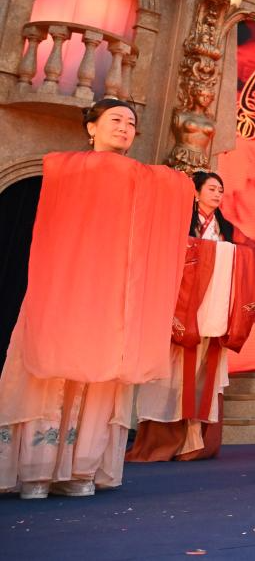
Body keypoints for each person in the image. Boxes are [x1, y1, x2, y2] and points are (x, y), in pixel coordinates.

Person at [0, 98, 193, 498]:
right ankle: (35, 471)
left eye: (131, 123)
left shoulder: (148, 178)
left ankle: (82, 469)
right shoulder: (64, 167)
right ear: (91, 127)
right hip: (66, 285)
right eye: (115, 120)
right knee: (50, 370)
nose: (124, 128)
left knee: (104, 376)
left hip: (114, 291)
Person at [128, 172, 255, 462]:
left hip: (213, 314)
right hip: (180, 310)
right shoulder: (181, 223)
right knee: (173, 372)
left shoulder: (225, 228)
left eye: (221, 190)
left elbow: (253, 253)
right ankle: (163, 442)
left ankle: (196, 441)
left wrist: (229, 255)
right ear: (197, 192)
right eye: (212, 188)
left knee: (206, 372)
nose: (217, 194)